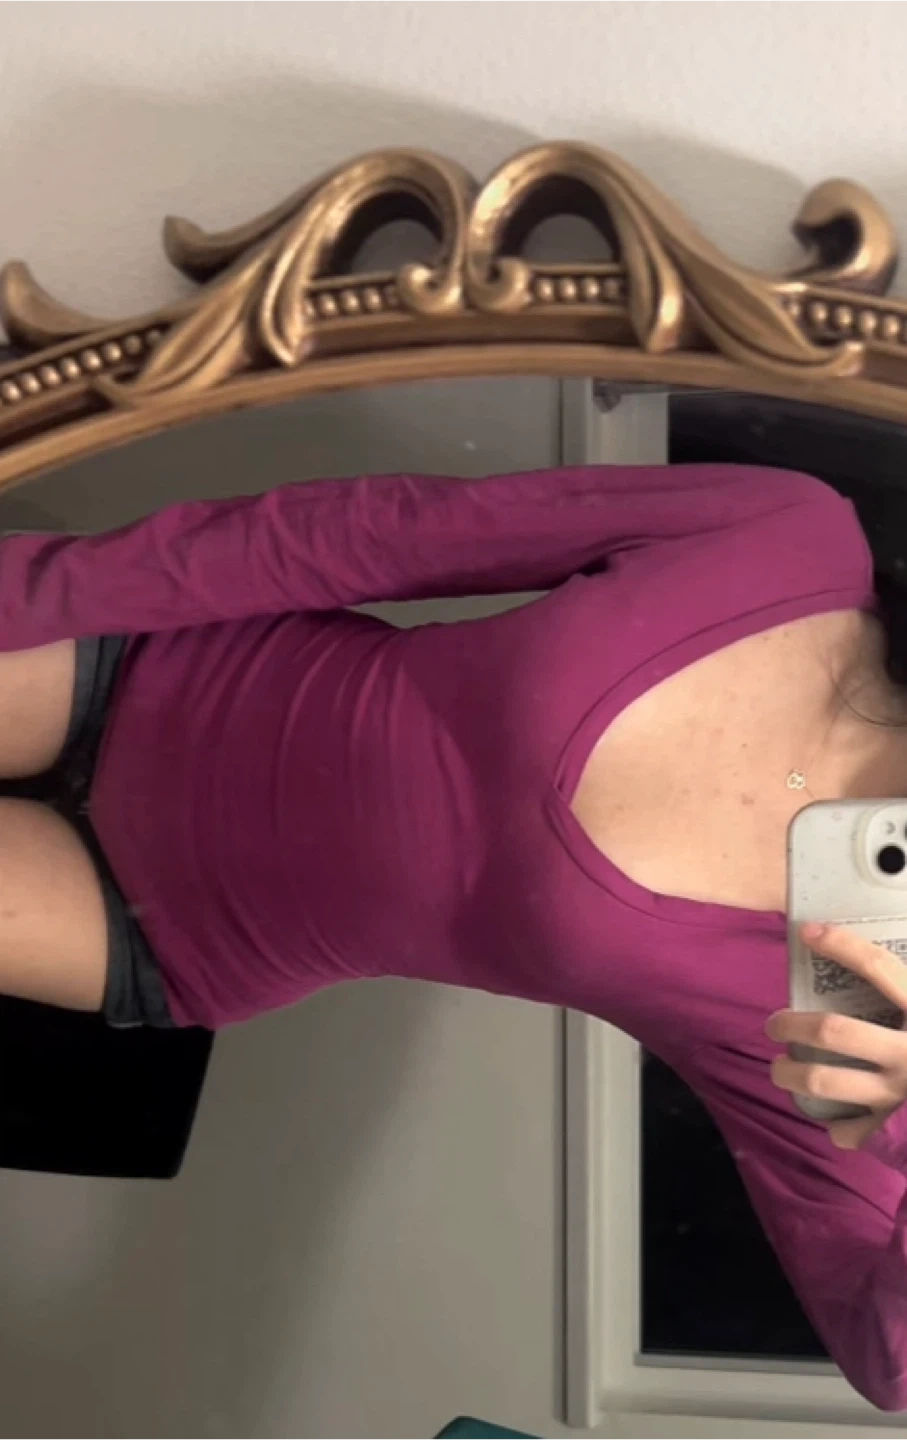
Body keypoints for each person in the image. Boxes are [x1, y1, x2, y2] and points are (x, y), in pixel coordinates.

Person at [0, 461, 906, 1409]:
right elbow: (367, 534)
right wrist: (32, 586)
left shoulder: (846, 1006)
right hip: (154, 670)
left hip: (170, 928)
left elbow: (884, 1364)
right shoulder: (786, 536)